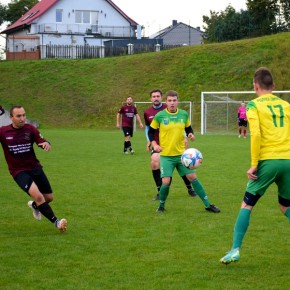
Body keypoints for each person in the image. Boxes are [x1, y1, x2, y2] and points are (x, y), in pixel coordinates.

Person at [220, 67, 290, 264]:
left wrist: (254, 164)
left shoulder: (252, 105)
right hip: (288, 160)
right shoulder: (286, 105)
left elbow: (256, 134)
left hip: (268, 161)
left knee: (247, 204)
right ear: (274, 86)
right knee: (286, 206)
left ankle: (235, 249)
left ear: (255, 86)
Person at [148, 90, 220, 213]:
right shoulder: (160, 116)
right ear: (166, 102)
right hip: (166, 156)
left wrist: (190, 134)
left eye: (174, 100)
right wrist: (154, 144)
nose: (172, 103)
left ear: (178, 101)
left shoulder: (183, 114)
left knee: (193, 177)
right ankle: (161, 205)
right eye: (169, 100)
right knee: (166, 181)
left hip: (182, 155)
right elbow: (151, 131)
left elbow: (188, 127)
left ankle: (208, 204)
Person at [0, 106, 67, 232]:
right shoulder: (3, 132)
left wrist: (46, 144)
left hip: (35, 167)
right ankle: (57, 222)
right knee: (39, 196)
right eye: (18, 116)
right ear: (11, 117)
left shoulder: (30, 129)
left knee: (49, 198)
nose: (22, 118)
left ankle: (35, 206)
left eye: (24, 115)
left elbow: (41, 140)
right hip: (19, 172)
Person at [144, 89, 196, 200]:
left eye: (158, 96)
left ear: (162, 98)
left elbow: (179, 125)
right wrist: (149, 141)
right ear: (151, 98)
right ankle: (160, 191)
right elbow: (149, 129)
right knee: (154, 163)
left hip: (175, 144)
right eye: (153, 96)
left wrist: (186, 137)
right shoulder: (147, 112)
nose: (156, 98)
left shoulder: (169, 108)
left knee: (181, 165)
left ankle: (189, 188)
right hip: (158, 144)